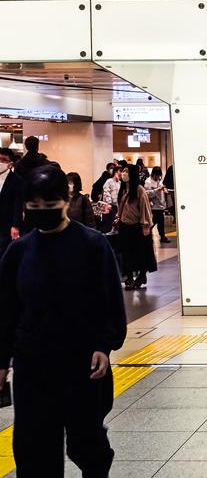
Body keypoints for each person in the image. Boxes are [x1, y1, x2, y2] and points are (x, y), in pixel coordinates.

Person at [0, 165, 127, 477]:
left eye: (50, 204)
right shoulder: (19, 252)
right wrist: (2, 360)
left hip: (82, 363)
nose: (42, 211)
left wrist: (104, 345)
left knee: (85, 442)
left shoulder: (93, 245)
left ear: (66, 199)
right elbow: (5, 309)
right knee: (34, 445)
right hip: (33, 363)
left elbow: (108, 299)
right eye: (34, 206)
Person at [116, 166, 155, 290]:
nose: (124, 174)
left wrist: (145, 225)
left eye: (127, 172)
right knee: (126, 254)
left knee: (139, 253)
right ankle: (129, 278)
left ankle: (141, 275)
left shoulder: (139, 190)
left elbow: (145, 207)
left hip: (136, 226)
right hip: (124, 225)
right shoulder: (122, 190)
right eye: (123, 171)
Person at [0, 148, 22, 258]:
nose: (0, 162)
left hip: (6, 223)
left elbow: (17, 204)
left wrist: (15, 226)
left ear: (10, 164)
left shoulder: (16, 180)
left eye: (4, 160)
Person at [145, 166, 170, 244]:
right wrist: (157, 190)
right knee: (154, 221)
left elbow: (162, 188)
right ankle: (146, 234)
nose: (159, 177)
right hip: (153, 206)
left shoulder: (159, 181)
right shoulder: (148, 181)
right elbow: (147, 193)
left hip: (160, 205)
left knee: (160, 222)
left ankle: (162, 236)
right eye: (157, 175)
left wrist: (164, 189)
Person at [100, 166, 122, 234]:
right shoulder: (109, 181)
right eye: (120, 171)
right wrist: (109, 203)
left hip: (117, 206)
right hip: (110, 206)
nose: (121, 173)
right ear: (115, 172)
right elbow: (106, 192)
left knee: (116, 225)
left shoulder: (120, 183)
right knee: (109, 224)